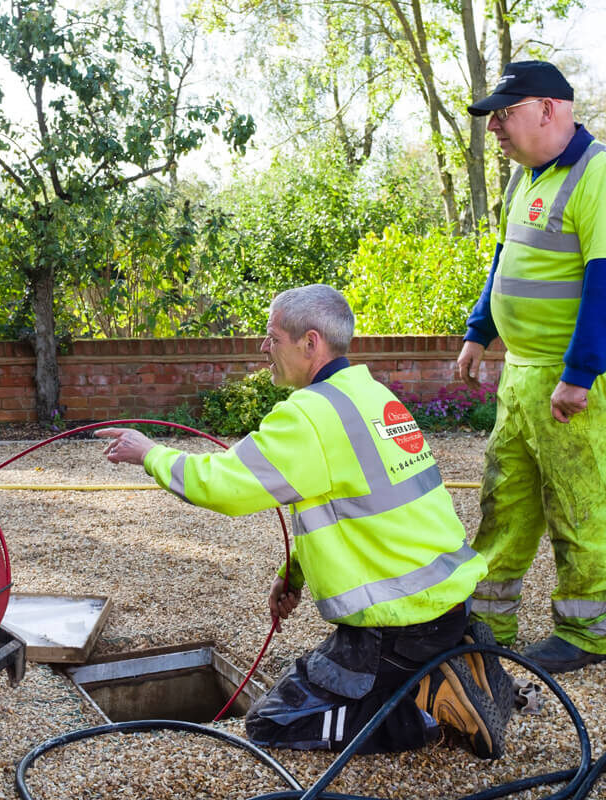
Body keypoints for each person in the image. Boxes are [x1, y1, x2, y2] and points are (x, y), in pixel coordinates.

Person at [98, 284, 513, 758]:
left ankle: (426, 702)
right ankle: (450, 656)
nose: (263, 347)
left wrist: (148, 452)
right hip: (441, 606)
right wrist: (292, 573)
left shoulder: (311, 416)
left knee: (273, 723)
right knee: (307, 691)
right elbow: (359, 512)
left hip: (399, 626)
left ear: (310, 343)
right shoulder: (371, 395)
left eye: (272, 337)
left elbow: (223, 485)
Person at [459, 60, 606, 673]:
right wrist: (479, 332)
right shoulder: (525, 181)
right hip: (520, 375)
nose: (495, 125)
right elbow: (504, 264)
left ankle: (588, 633)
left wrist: (580, 373)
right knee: (506, 499)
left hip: (569, 381)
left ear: (549, 108)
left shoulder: (596, 175)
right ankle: (487, 621)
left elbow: (604, 282)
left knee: (580, 503)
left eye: (505, 112)